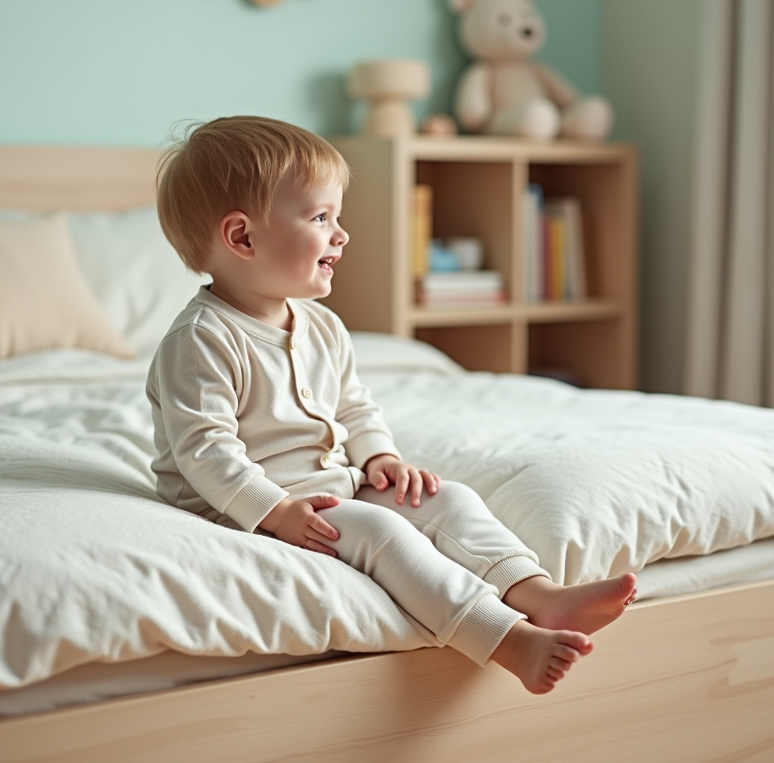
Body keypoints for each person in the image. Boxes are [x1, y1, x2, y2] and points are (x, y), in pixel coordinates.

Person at [146, 116, 636, 694]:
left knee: (450, 500)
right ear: (243, 238)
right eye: (320, 217)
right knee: (383, 532)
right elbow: (205, 451)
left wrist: (379, 457)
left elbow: (354, 406)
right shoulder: (202, 339)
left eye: (337, 216)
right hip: (239, 510)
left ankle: (540, 595)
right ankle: (504, 638)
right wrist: (275, 513)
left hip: (329, 484)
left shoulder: (322, 326)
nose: (342, 234)